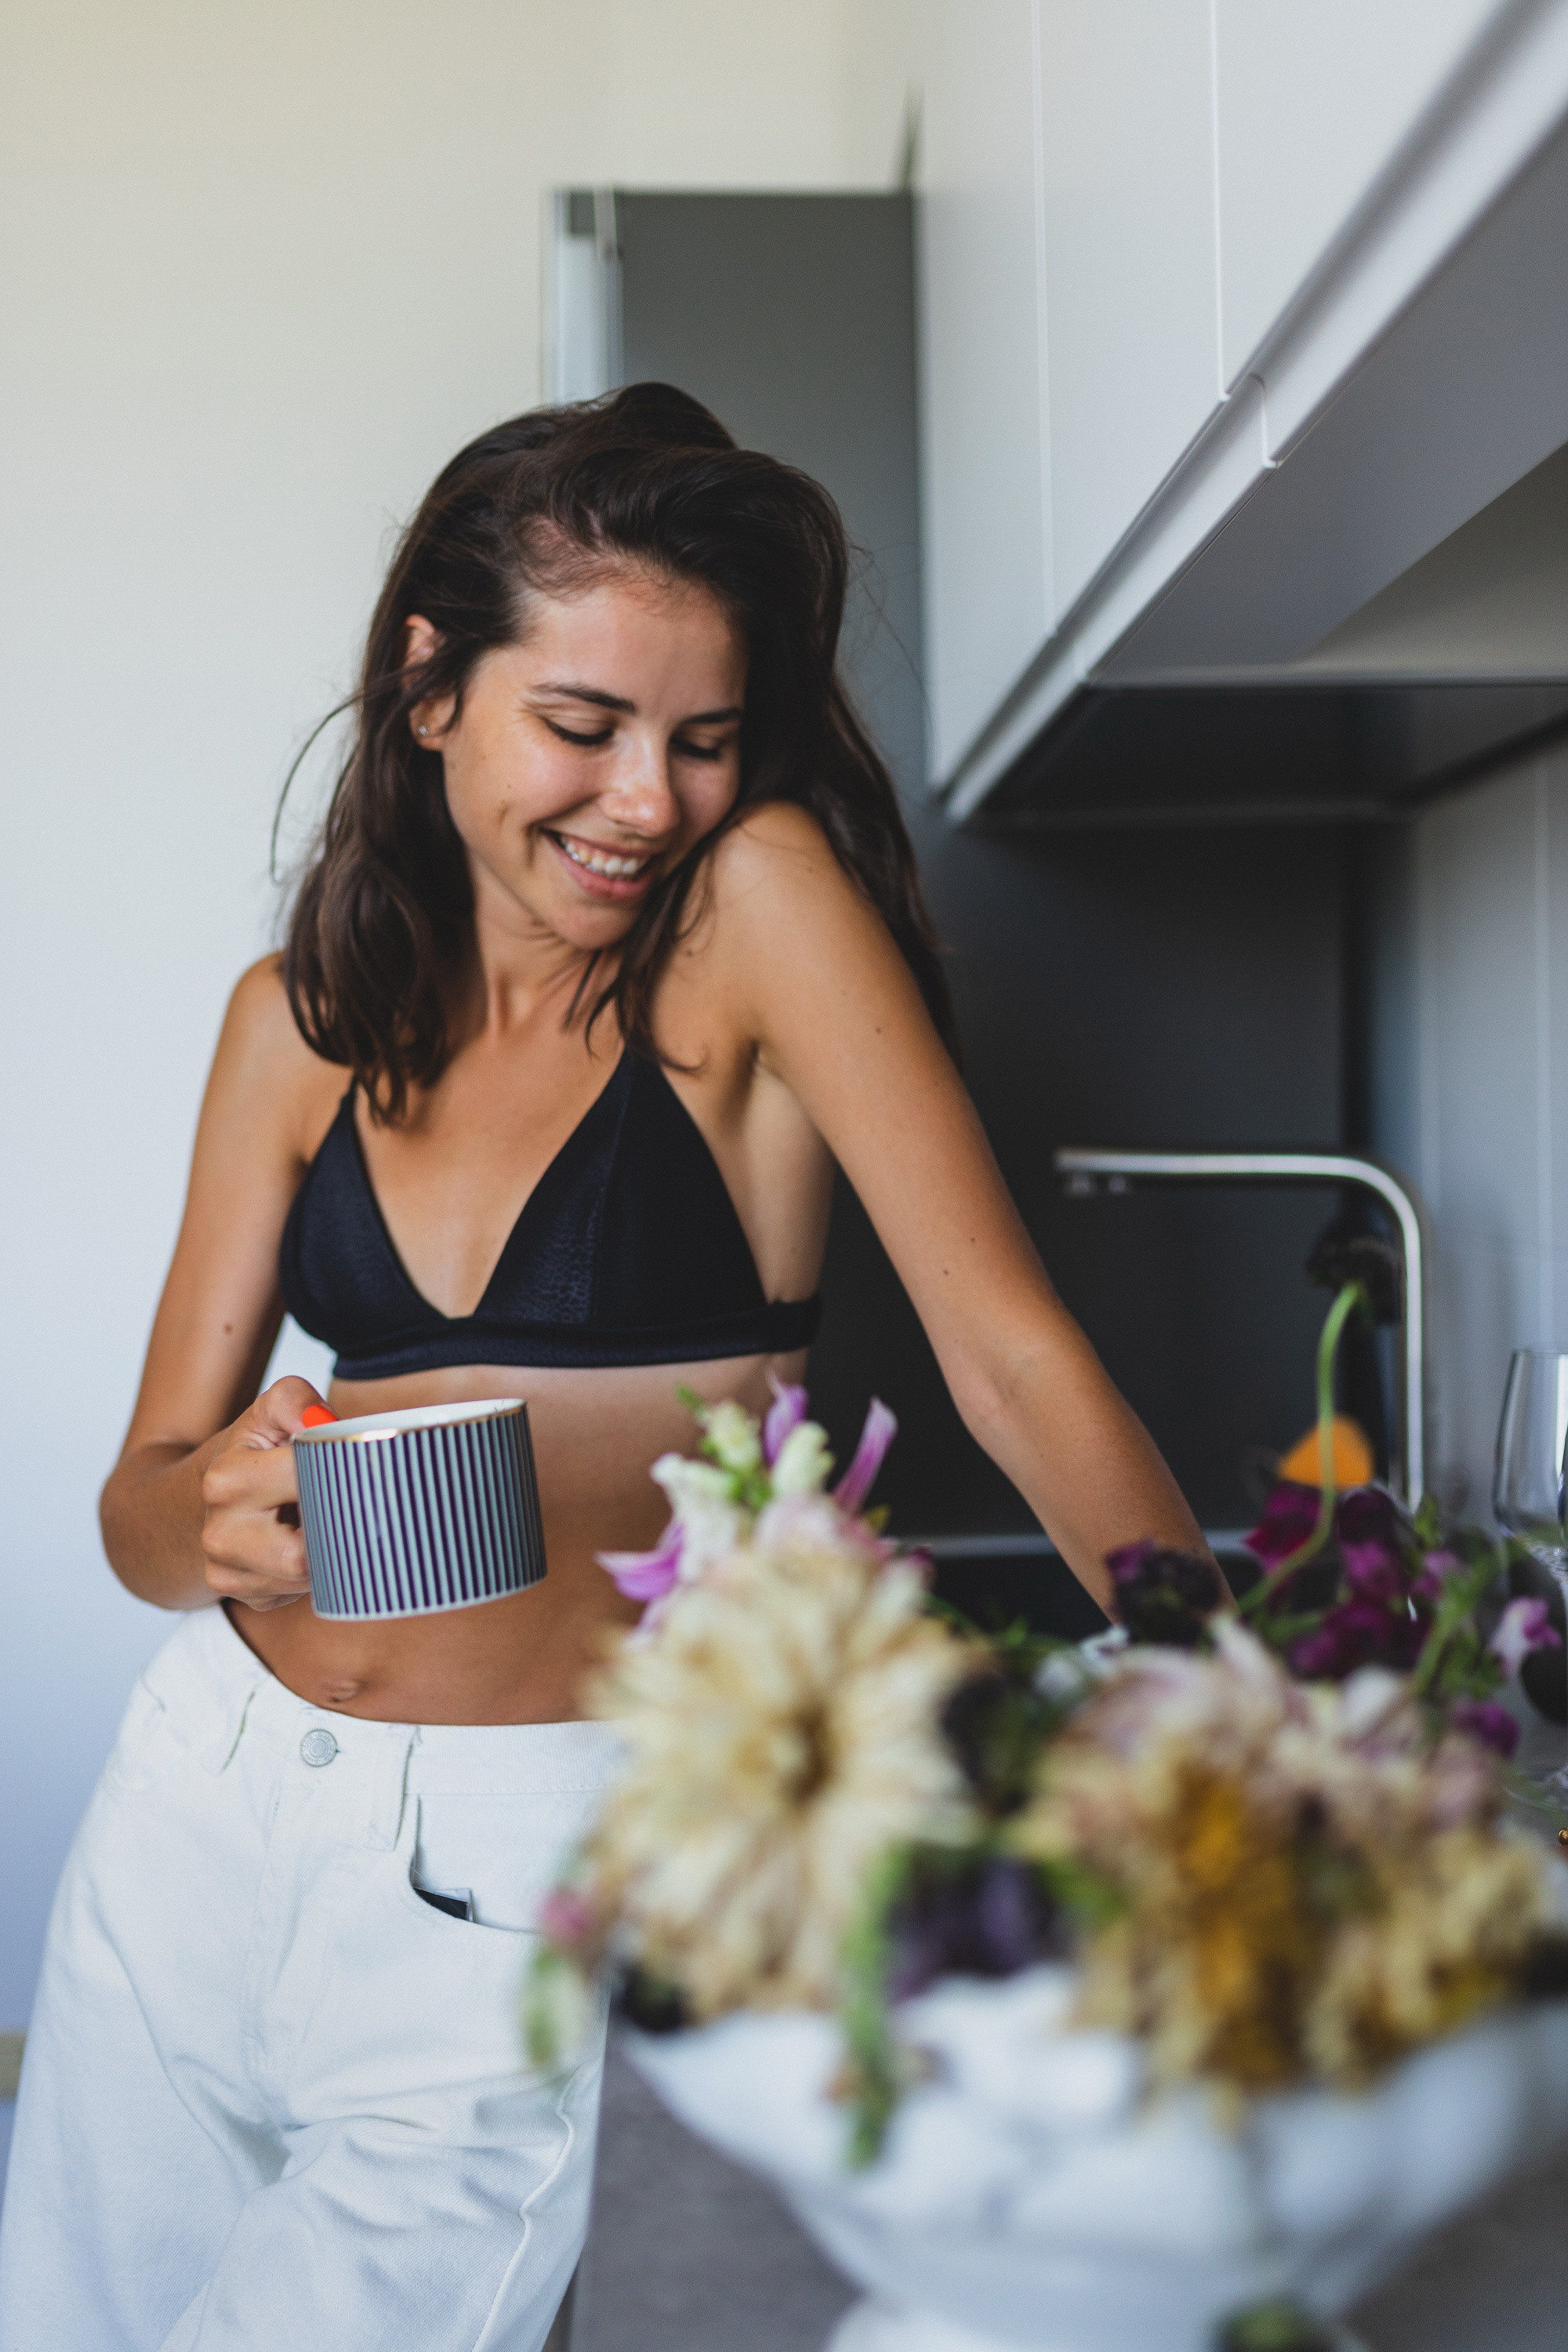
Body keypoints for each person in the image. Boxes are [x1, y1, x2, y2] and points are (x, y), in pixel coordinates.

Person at [0, 384, 1208, 2350]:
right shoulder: (295, 1022)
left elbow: (1008, 1354)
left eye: (703, 739)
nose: (647, 797)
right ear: (429, 688)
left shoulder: (752, 913)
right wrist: (213, 1511)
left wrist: (1244, 1711)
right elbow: (143, 1502)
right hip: (200, 1812)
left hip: (538, 1861)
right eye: (583, 726)